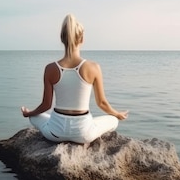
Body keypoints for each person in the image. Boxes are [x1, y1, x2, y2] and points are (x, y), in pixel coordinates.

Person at [21, 14, 128, 144]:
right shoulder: (93, 67)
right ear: (82, 39)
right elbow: (102, 103)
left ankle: (44, 120)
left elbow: (46, 105)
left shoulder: (50, 68)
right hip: (83, 135)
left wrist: (29, 113)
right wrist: (117, 114)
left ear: (62, 39)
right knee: (113, 120)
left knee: (34, 117)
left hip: (55, 133)